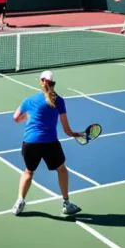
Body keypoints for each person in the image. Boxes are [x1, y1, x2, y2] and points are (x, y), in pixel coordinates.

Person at [12, 70, 83, 216]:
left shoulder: (28, 100)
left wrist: (26, 116)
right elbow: (67, 130)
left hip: (29, 143)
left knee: (28, 172)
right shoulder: (59, 101)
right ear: (53, 83)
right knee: (62, 170)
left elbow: (16, 118)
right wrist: (76, 134)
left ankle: (19, 202)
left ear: (41, 81)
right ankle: (66, 203)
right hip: (50, 144)